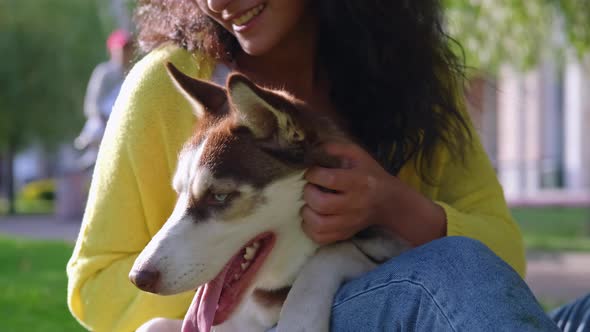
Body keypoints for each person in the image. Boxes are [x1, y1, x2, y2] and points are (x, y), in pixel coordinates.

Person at [66, 1, 581, 331]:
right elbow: (96, 285)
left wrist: (391, 203)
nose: (218, 3)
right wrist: (245, 304)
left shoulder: (417, 80)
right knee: (449, 271)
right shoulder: (167, 87)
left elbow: (506, 257)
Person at [74, 29, 135, 170]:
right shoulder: (104, 73)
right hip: (104, 126)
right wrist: (107, 121)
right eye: (122, 49)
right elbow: (92, 105)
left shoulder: (134, 72)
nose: (125, 53)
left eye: (128, 49)